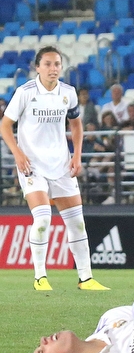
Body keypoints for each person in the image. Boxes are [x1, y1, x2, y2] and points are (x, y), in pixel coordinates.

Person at [0, 47, 109, 292]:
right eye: (48, 64)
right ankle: (40, 277)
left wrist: (77, 155)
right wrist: (17, 153)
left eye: (57, 64)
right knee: (42, 219)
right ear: (37, 68)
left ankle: (86, 278)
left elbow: (76, 125)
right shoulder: (25, 92)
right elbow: (5, 126)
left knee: (77, 223)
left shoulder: (68, 93)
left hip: (61, 165)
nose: (53, 69)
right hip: (32, 165)